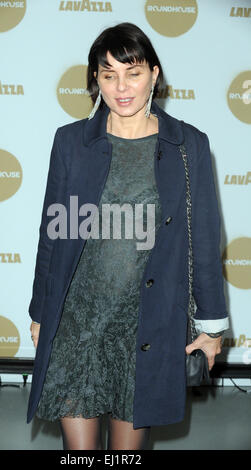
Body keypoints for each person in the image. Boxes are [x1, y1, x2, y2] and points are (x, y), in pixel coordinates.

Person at [27, 22, 229, 450]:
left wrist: (212, 326)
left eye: (133, 72)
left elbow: (205, 240)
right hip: (77, 325)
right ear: (95, 80)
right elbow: (53, 235)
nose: (122, 87)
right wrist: (41, 312)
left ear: (154, 75)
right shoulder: (70, 143)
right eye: (108, 74)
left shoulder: (187, 146)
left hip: (144, 330)